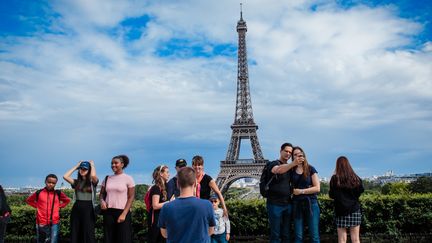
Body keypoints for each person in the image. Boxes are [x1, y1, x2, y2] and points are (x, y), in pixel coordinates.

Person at [158, 167, 216, 242]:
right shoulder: (207, 205)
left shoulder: (166, 207)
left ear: (178, 184)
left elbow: (165, 234)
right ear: (195, 183)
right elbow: (210, 231)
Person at [266, 142, 300, 243]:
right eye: (286, 151)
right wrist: (293, 163)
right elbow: (278, 170)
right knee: (275, 234)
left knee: (286, 234)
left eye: (290, 152)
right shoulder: (273, 163)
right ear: (280, 151)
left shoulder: (290, 167)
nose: (288, 154)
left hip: (287, 204)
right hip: (274, 204)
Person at [100, 155, 135, 243]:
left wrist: (124, 214)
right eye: (112, 163)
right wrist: (102, 201)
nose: (113, 165)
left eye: (116, 163)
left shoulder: (128, 178)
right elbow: (101, 194)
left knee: (123, 239)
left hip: (123, 212)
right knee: (109, 239)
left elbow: (131, 197)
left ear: (122, 164)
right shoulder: (107, 178)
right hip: (108, 212)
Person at [26, 174, 71, 243]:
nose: (51, 184)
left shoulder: (58, 193)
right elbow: (29, 200)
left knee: (53, 241)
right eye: (49, 182)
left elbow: (67, 200)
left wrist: (59, 206)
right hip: (41, 221)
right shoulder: (39, 192)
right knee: (41, 241)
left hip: (54, 222)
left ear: (55, 184)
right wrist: (38, 206)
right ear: (45, 182)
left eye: (53, 183)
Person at [329, 156, 364, 243]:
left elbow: (332, 195)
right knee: (355, 239)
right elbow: (360, 191)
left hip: (340, 211)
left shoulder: (334, 179)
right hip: (354, 210)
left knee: (342, 239)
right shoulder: (355, 178)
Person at [63, 160, 99, 243]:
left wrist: (92, 165)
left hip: (89, 209)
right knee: (75, 231)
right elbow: (65, 176)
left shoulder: (92, 182)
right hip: (77, 208)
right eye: (81, 168)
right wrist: (76, 166)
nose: (82, 170)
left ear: (89, 170)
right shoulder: (76, 182)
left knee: (88, 232)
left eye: (85, 169)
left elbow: (93, 175)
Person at [291, 146, 320, 243]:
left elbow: (317, 188)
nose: (297, 156)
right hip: (297, 204)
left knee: (314, 236)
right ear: (292, 157)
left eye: (299, 154)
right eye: (295, 155)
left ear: (303, 155)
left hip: (311, 203)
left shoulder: (311, 169)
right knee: (298, 236)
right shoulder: (291, 170)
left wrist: (301, 191)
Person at [148, 165, 170, 243]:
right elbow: (155, 205)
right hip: (156, 221)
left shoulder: (166, 187)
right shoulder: (156, 188)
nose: (169, 174)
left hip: (163, 220)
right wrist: (169, 202)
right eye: (167, 172)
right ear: (161, 173)